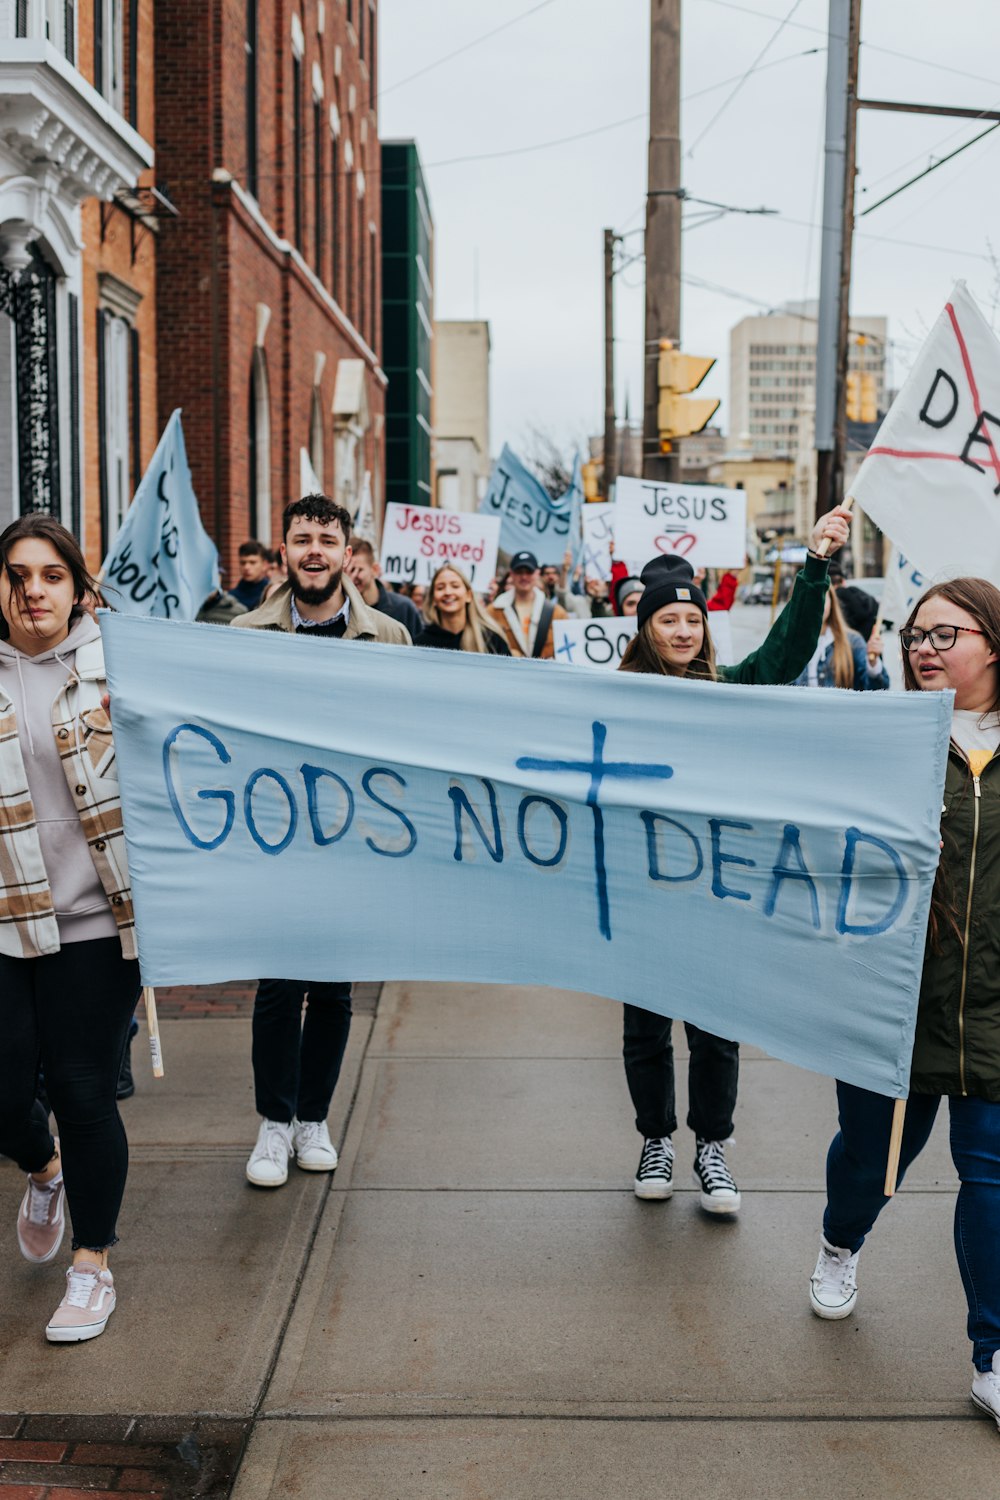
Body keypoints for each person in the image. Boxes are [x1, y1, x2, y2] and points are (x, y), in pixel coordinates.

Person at [616, 505, 852, 1216]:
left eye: (692, 622)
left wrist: (814, 565)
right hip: (641, 891)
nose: (683, 631)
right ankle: (656, 1139)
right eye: (668, 622)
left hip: (716, 891)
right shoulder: (615, 700)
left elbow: (785, 653)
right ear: (646, 630)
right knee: (645, 1029)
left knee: (717, 1030)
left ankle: (712, 1147)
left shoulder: (729, 694)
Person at [808, 577, 1000, 1430]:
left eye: (943, 634)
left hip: (994, 1006)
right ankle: (840, 1241)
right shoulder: (881, 738)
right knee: (873, 1159)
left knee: (992, 1175)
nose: (921, 647)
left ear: (992, 643)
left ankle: (993, 1356)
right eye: (913, 635)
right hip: (893, 999)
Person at [233, 495, 410, 1188]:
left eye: (326, 539)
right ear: (285, 551)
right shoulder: (244, 632)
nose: (314, 550)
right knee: (279, 985)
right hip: (275, 837)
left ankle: (314, 1117)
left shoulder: (389, 638)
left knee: (333, 989)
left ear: (347, 554)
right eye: (302, 538)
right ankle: (273, 1123)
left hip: (354, 839)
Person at [0, 515, 139, 1343]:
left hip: (93, 921)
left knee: (85, 1092)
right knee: (7, 1093)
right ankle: (43, 1169)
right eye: (17, 574)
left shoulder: (119, 668)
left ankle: (92, 1265)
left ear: (78, 587)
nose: (33, 590)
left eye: (50, 575)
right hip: (4, 918)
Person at [792, 584, 888, 690]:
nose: (818, 604)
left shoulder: (853, 642)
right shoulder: (788, 644)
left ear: (832, 602)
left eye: (823, 597)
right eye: (811, 597)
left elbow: (876, 689)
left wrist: (873, 664)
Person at [487, 550, 568, 659]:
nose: (524, 577)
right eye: (519, 572)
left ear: (537, 573)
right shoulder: (494, 611)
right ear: (511, 574)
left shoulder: (557, 613)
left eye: (529, 572)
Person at [414, 565, 511, 654]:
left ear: (469, 595)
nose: (448, 592)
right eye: (440, 588)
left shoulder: (491, 639)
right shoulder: (419, 645)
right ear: (433, 599)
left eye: (455, 586)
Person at [346, 538, 423, 639]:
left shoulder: (404, 608)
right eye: (344, 572)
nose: (351, 577)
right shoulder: (341, 612)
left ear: (375, 570)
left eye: (357, 570)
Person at [227, 540, 271, 610]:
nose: (246, 567)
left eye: (252, 562)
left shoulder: (271, 594)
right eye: (243, 563)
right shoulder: (231, 597)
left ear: (264, 565)